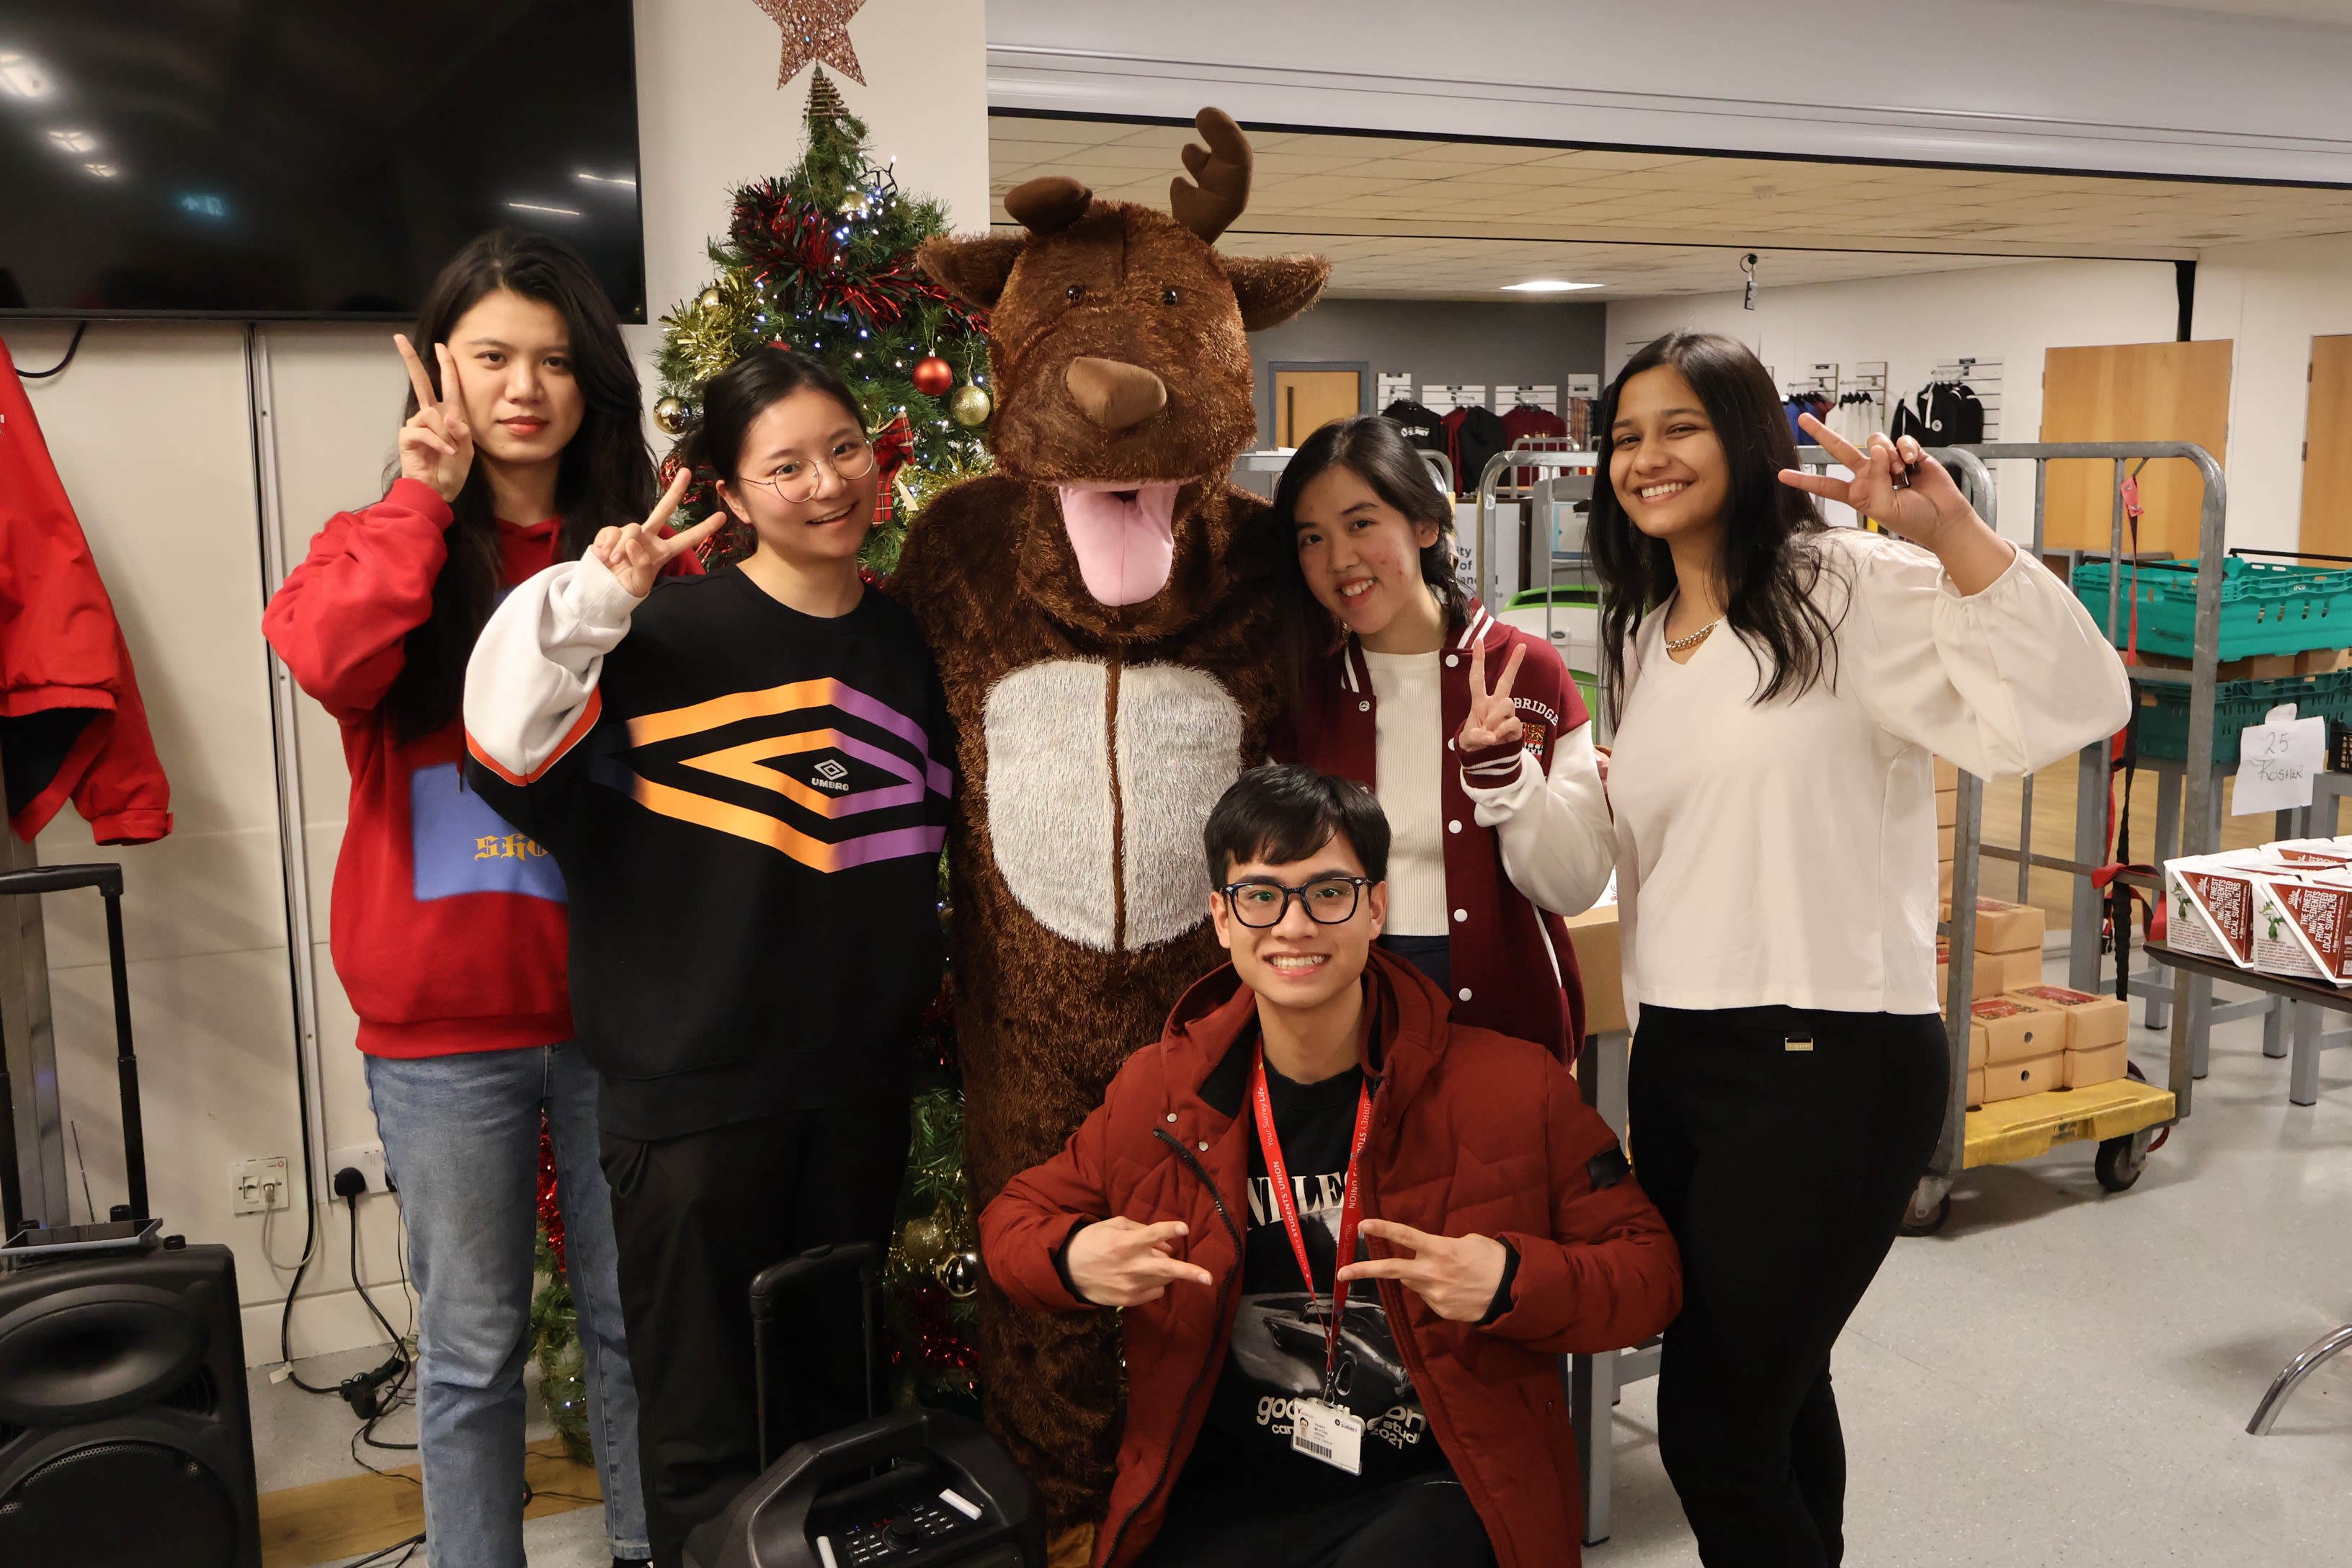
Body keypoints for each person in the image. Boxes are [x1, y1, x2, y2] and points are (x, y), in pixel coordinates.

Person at [1538, 330, 2128, 1567]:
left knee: (1712, 1429)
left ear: (1748, 439)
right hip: (1680, 1054)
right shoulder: (1643, 631)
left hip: (1827, 1058)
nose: (1645, 458)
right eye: (1625, 436)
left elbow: (2074, 702)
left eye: (1680, 427)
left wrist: (1952, 537)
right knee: (1779, 1388)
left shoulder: (1847, 586)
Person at [460, 347, 953, 1566]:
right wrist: (595, 600)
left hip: (855, 1093)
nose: (827, 483)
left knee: (840, 1409)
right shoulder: (654, 637)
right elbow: (503, 752)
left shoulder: (909, 643)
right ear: (727, 494)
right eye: (785, 466)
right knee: (702, 1434)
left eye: (844, 449)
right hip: (690, 1107)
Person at [980, 763, 1682, 1568]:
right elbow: (1012, 1222)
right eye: (1261, 895)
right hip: (1224, 1494)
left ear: (1376, 907)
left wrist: (1509, 1280)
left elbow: (1650, 1273)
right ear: (1222, 917)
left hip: (1435, 1489)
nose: (1294, 925)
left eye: (1328, 893)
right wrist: (1073, 1257)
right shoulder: (1163, 1097)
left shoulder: (1512, 1087)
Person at [262, 229, 664, 1568]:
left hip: (619, 1010)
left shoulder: (640, 555)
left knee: (633, 1325)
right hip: (442, 1023)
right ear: (440, 369)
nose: (524, 389)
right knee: (472, 1347)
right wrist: (419, 501)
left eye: (555, 360)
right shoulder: (382, 543)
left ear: (594, 379)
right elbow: (328, 660)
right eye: (492, 356)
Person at [1273, 416, 1614, 1061]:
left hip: (1506, 1018)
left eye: (1361, 523)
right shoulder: (1303, 693)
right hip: (1352, 1020)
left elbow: (1575, 888)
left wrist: (1508, 777)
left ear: (1425, 525)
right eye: (1311, 537)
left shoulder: (1526, 671)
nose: (1339, 559)